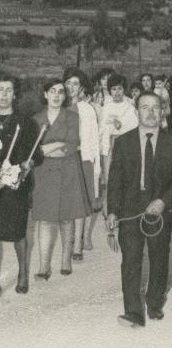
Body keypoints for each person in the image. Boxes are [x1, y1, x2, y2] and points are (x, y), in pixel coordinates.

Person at [106, 92, 172, 327]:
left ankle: (154, 301)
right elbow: (115, 180)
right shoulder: (123, 142)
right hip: (131, 208)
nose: (150, 113)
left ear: (163, 111)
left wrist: (163, 201)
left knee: (159, 257)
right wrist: (112, 210)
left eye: (155, 108)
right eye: (144, 108)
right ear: (136, 111)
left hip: (161, 210)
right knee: (130, 260)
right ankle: (133, 312)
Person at [32, 79, 92, 279]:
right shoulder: (36, 119)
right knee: (45, 219)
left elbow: (73, 143)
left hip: (68, 170)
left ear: (65, 96)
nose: (57, 95)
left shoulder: (72, 116)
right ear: (45, 94)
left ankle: (66, 259)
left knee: (67, 217)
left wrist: (48, 148)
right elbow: (33, 149)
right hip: (44, 173)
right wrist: (55, 145)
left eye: (61, 92)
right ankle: (43, 266)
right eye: (53, 91)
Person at [0, 72, 43, 294]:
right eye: (0, 90)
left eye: (7, 90)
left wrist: (29, 162)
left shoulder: (25, 123)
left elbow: (38, 154)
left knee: (18, 233)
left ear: (15, 93)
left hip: (14, 186)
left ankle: (23, 272)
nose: (3, 95)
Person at [63, 68, 101, 260]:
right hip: (65, 159)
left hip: (84, 158)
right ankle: (71, 240)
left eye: (75, 83)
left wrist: (97, 167)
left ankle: (81, 240)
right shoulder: (59, 106)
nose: (71, 87)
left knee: (84, 199)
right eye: (68, 83)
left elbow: (94, 140)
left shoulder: (88, 109)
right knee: (69, 200)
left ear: (82, 87)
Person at [98, 73, 139, 210]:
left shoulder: (130, 107)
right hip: (109, 148)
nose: (117, 92)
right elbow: (102, 129)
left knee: (126, 178)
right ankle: (110, 209)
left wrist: (120, 126)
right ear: (110, 90)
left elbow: (134, 128)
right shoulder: (106, 107)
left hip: (125, 147)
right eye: (114, 89)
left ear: (124, 89)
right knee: (111, 179)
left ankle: (126, 208)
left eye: (120, 89)